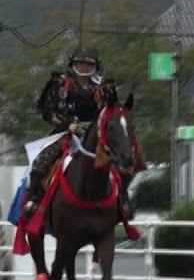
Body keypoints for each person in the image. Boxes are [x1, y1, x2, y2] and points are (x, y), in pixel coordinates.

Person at [21, 48, 121, 218]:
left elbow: (112, 112)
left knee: (121, 161)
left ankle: (122, 201)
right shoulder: (58, 84)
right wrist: (68, 124)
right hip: (65, 131)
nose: (83, 67)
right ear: (72, 65)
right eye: (80, 63)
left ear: (95, 67)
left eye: (88, 64)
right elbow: (48, 111)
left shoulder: (105, 88)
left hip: (96, 133)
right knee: (41, 160)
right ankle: (34, 199)